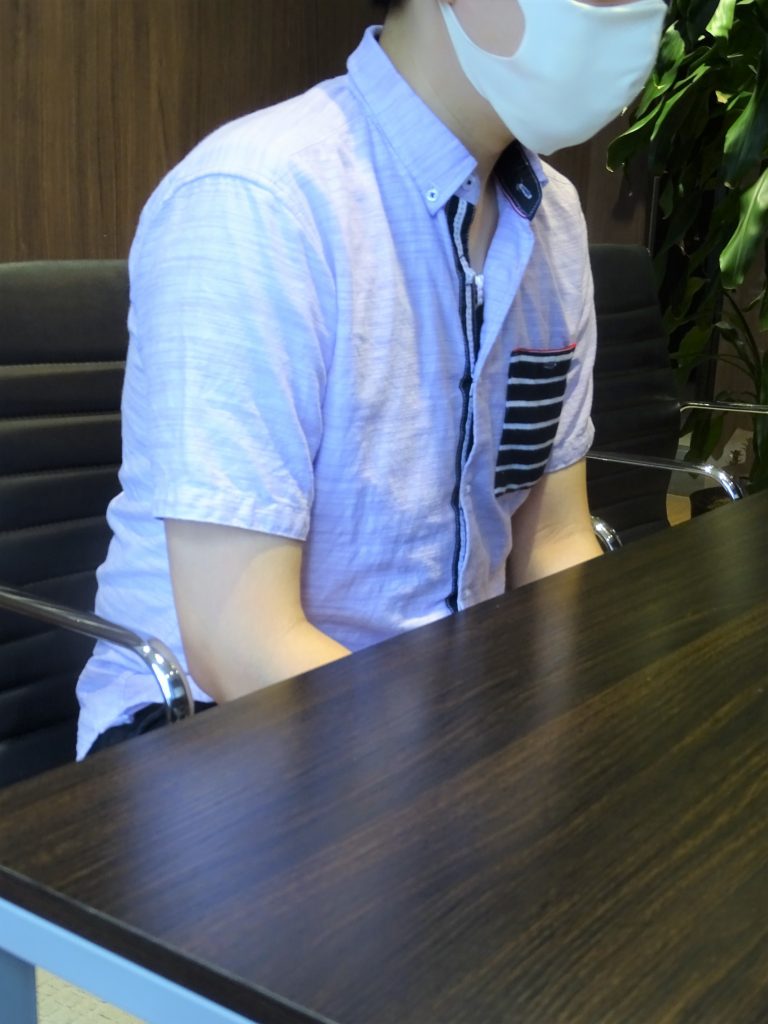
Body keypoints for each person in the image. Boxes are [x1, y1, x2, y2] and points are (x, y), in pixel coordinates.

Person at [76, 0, 666, 757]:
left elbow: (552, 540)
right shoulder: (258, 199)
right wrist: (470, 757)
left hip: (447, 709)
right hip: (213, 728)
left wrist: (603, 719)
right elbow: (240, 645)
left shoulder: (554, 219)